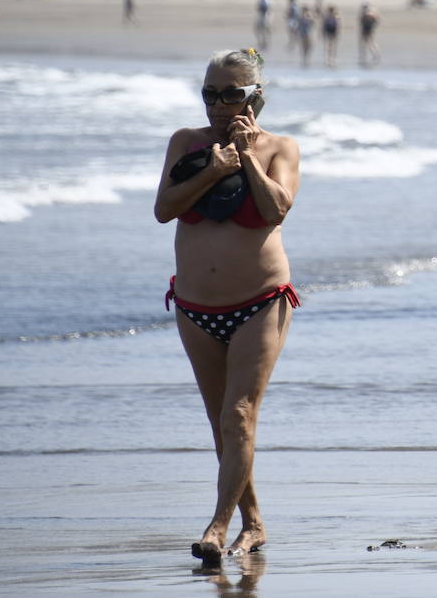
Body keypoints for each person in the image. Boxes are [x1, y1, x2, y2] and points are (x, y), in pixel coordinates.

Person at [152, 49, 301, 564]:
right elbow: (164, 209)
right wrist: (213, 169)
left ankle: (217, 527)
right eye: (210, 93)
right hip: (194, 307)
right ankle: (254, 524)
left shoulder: (280, 147)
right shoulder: (185, 144)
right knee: (224, 425)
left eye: (231, 94)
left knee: (239, 415)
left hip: (261, 302)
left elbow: (275, 209)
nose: (219, 104)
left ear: (255, 96)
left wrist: (246, 160)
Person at [358, 3, 381, 67]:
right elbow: (377, 21)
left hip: (366, 30)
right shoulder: (372, 14)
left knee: (367, 43)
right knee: (370, 42)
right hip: (369, 29)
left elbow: (361, 22)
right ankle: (375, 54)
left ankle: (374, 54)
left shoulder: (365, 14)